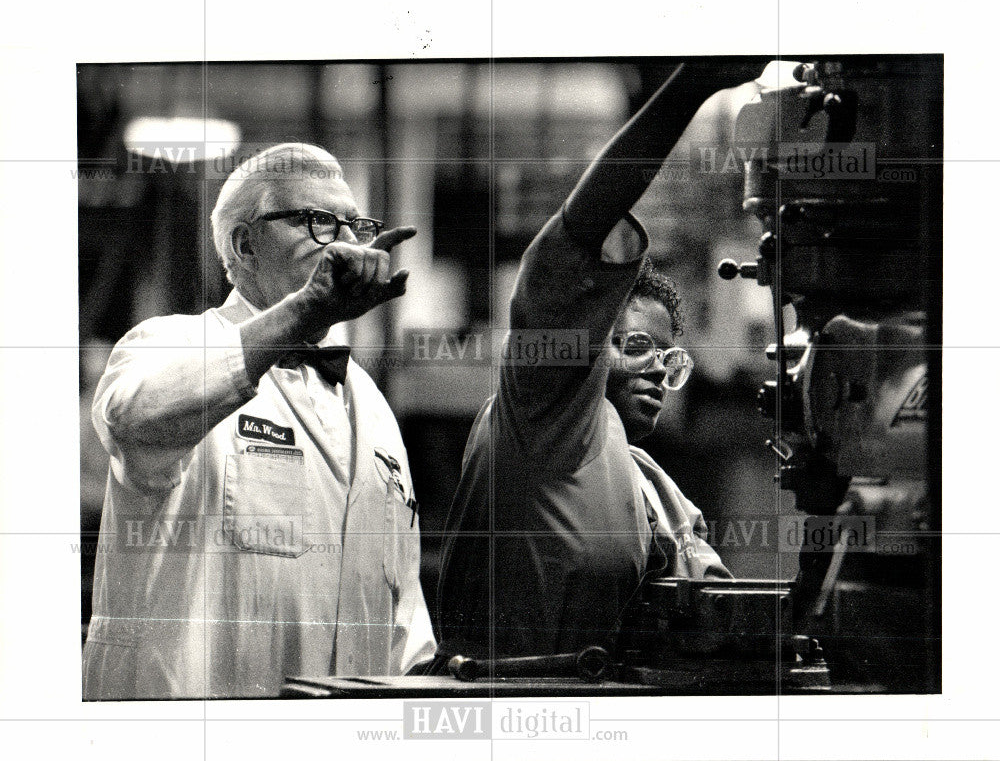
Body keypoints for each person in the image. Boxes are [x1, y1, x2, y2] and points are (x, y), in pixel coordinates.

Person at [83, 143, 435, 699]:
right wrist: (301, 312)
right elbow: (132, 419)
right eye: (317, 221)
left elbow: (403, 605)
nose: (344, 243)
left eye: (352, 225)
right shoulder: (170, 343)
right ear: (244, 244)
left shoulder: (369, 402)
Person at [437, 63, 751, 661]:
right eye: (635, 347)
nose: (659, 370)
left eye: (669, 358)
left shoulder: (650, 485)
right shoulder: (543, 414)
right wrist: (689, 87)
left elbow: (711, 593)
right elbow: (582, 230)